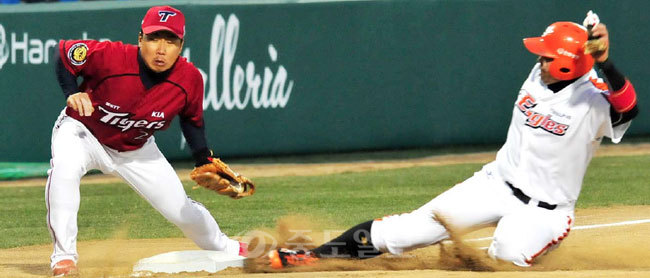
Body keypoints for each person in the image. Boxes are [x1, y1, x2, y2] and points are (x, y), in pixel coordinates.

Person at [268, 18, 638, 269]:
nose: (538, 59)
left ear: (566, 65)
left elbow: (628, 107)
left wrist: (605, 63)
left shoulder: (592, 100)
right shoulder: (539, 77)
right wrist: (586, 36)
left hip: (545, 211)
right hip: (495, 184)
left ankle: (525, 247)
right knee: (406, 231)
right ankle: (313, 257)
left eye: (547, 56)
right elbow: (573, 45)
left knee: (507, 255)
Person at [46, 6, 248, 276]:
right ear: (140, 39)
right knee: (64, 171)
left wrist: (203, 158)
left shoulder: (189, 80)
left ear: (181, 45)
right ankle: (64, 258)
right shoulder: (111, 57)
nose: (161, 49)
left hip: (136, 148)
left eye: (170, 40)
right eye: (154, 38)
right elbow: (64, 53)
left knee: (181, 211)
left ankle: (228, 247)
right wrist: (71, 92)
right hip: (83, 132)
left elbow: (192, 120)